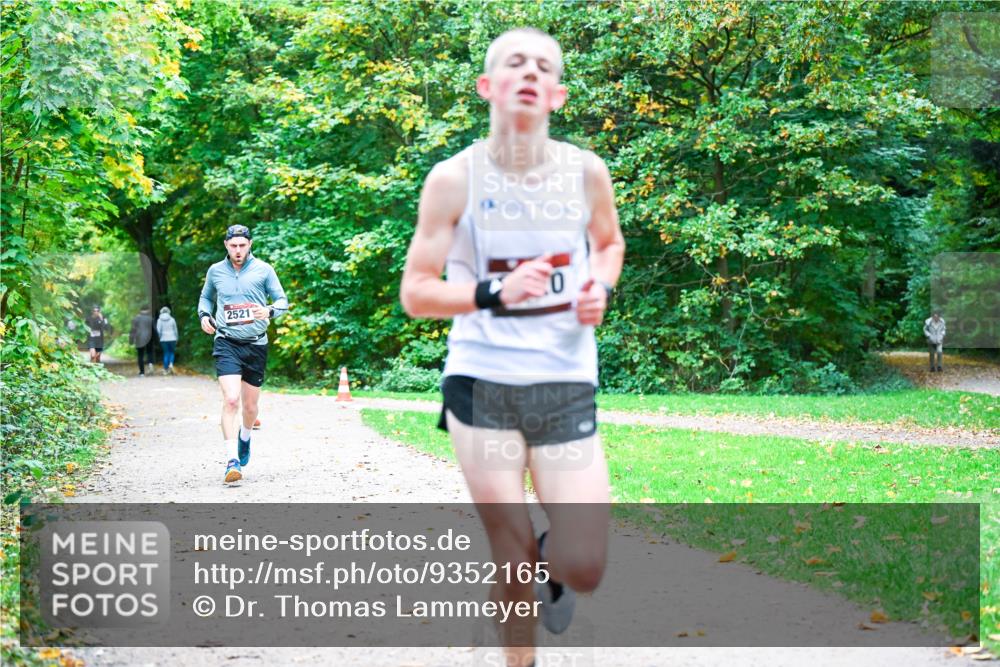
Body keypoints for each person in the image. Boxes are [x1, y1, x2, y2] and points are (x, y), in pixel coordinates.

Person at [400, 27, 625, 667]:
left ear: (556, 94)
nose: (530, 72)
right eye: (515, 62)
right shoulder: (453, 180)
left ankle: (549, 576)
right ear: (487, 86)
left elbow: (609, 246)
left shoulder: (586, 173)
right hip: (482, 382)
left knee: (582, 566)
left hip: (564, 380)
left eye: (543, 66)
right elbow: (417, 292)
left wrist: (599, 288)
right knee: (513, 548)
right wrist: (494, 292)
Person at [198, 225, 288, 484]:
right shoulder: (216, 271)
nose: (238, 250)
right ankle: (231, 461)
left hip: (256, 344)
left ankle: (245, 436)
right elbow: (205, 298)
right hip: (226, 341)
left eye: (242, 245)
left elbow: (282, 301)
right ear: (226, 245)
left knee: (249, 407)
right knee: (231, 400)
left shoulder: (264, 270)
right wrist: (205, 315)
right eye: (233, 245)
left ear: (250, 245)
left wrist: (269, 311)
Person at [129, 306, 155, 376]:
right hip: (149, 338)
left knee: (140, 355)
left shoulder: (136, 319)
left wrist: (131, 340)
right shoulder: (150, 319)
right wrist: (156, 339)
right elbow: (154, 329)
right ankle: (150, 364)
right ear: (147, 311)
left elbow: (132, 330)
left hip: (139, 338)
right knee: (150, 352)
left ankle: (142, 372)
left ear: (140, 311)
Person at [156, 306, 179, 375]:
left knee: (166, 353)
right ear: (169, 312)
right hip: (173, 338)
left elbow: (158, 331)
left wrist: (159, 338)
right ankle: (171, 364)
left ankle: (165, 369)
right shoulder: (172, 319)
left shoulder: (159, 320)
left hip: (163, 339)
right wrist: (177, 338)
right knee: (172, 352)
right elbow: (175, 330)